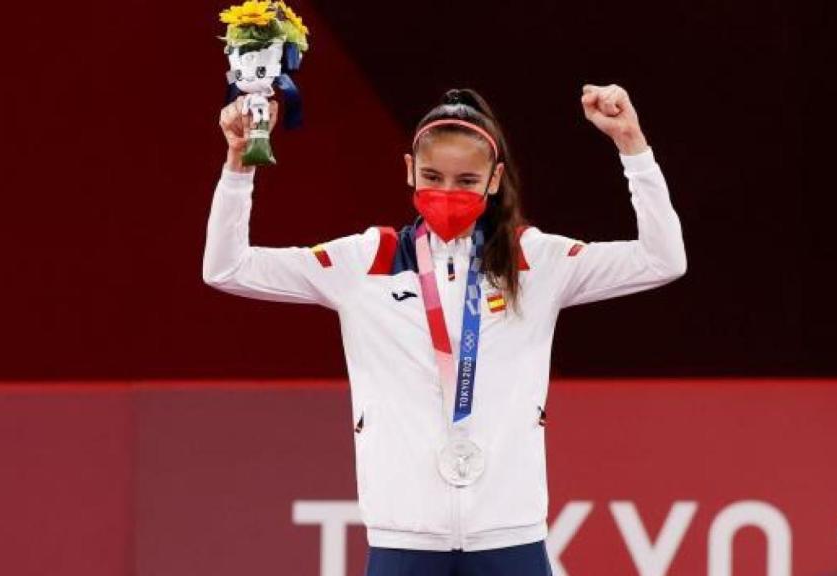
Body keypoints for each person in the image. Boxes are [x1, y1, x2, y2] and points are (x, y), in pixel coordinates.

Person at [203, 85, 687, 575]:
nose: (447, 193)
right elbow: (227, 268)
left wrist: (633, 147)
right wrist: (239, 166)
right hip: (402, 536)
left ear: (494, 180)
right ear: (409, 168)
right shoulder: (364, 261)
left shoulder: (535, 260)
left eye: (466, 180)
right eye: (432, 176)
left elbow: (661, 259)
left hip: (510, 533)